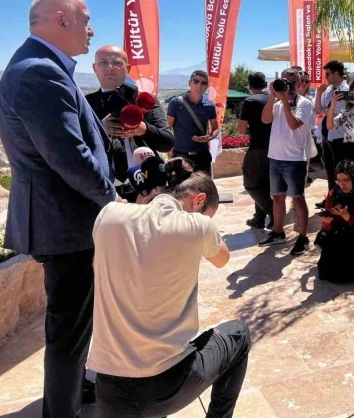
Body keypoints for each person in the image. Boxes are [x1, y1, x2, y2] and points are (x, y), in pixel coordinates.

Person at [0, 0, 120, 418]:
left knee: (75, 326)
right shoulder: (38, 72)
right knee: (69, 330)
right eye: (86, 19)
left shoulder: (43, 66)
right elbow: (70, 157)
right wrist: (115, 201)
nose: (92, 30)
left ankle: (70, 397)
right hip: (66, 224)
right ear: (61, 19)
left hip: (65, 220)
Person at [88, 158, 251, 417]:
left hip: (109, 387)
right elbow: (222, 258)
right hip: (165, 386)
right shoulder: (199, 226)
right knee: (239, 334)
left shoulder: (109, 215)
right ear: (198, 201)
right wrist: (203, 224)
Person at [86, 45, 173, 201]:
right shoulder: (86, 105)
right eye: (103, 62)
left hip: (148, 191)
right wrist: (100, 129)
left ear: (128, 68)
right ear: (94, 68)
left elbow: (167, 143)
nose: (109, 67)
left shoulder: (146, 101)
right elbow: (75, 146)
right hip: (105, 193)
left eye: (117, 62)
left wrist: (142, 129)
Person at [259, 68, 314, 255]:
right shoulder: (276, 103)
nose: (287, 85)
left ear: (299, 84)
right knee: (277, 198)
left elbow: (293, 124)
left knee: (298, 199)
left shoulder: (305, 103)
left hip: (294, 160)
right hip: (275, 157)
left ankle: (303, 237)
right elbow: (265, 120)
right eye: (283, 81)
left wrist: (284, 101)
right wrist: (272, 97)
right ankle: (278, 232)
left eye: (290, 81)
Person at [316, 160, 354, 283]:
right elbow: (329, 224)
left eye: (347, 180)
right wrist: (326, 221)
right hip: (338, 233)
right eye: (339, 180)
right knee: (324, 270)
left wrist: (347, 216)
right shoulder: (333, 193)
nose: (342, 184)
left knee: (345, 274)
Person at [237, 72, 273, 230]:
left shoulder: (250, 101)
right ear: (265, 83)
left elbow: (241, 129)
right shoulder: (274, 99)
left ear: (250, 86)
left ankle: (272, 211)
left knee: (251, 183)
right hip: (275, 148)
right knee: (265, 183)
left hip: (258, 148)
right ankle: (259, 217)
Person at [166, 70, 220, 175]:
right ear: (190, 83)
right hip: (180, 156)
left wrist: (209, 137)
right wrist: (169, 149)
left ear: (207, 86)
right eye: (196, 81)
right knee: (181, 189)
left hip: (201, 155)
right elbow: (167, 127)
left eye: (203, 83)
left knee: (204, 188)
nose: (199, 85)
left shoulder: (209, 105)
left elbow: (215, 128)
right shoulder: (176, 103)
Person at [315, 60, 349, 194]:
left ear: (336, 74)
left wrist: (329, 109)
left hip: (339, 135)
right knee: (329, 168)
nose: (326, 77)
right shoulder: (329, 90)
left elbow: (334, 112)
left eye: (328, 74)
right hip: (326, 133)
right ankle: (331, 196)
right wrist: (318, 93)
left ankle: (340, 197)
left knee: (339, 168)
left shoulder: (345, 91)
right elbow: (319, 110)